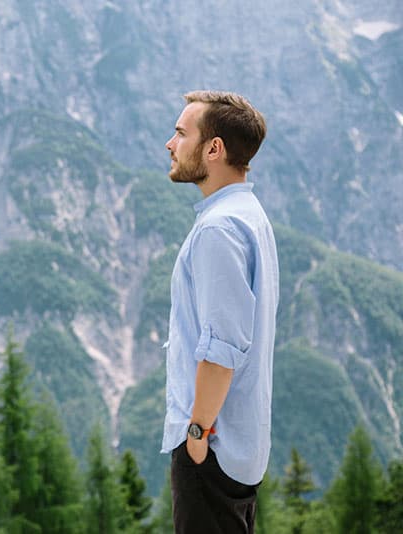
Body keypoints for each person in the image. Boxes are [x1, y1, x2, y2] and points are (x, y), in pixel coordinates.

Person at [161, 91, 279, 534]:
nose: (170, 145)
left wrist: (195, 434)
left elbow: (221, 348)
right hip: (238, 446)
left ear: (214, 149)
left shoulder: (218, 229)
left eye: (180, 133)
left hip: (212, 448)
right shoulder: (249, 215)